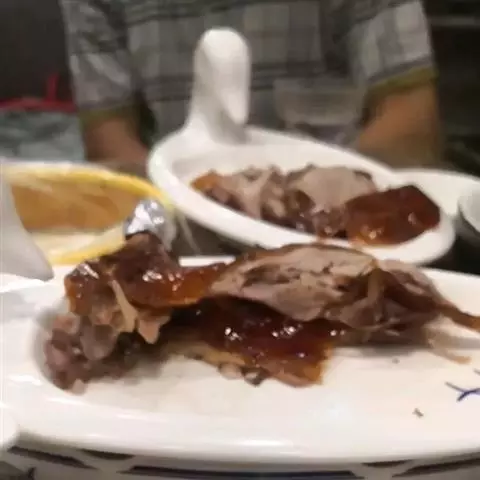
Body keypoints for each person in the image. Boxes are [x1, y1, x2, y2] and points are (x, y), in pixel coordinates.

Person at [59, 0, 443, 169]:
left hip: (341, 213)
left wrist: (310, 209)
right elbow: (109, 139)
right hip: (180, 204)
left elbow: (412, 125)